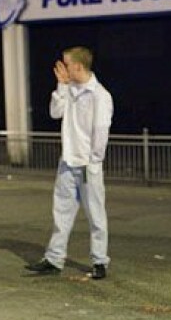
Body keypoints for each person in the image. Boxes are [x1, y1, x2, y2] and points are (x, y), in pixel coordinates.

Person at [25, 46, 114, 280]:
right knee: (61, 213)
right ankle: (54, 259)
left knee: (96, 215)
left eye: (65, 64)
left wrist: (94, 161)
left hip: (87, 165)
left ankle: (99, 261)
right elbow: (55, 113)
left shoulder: (99, 95)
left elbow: (101, 131)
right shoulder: (70, 89)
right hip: (67, 162)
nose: (61, 68)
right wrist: (61, 87)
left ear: (78, 66)